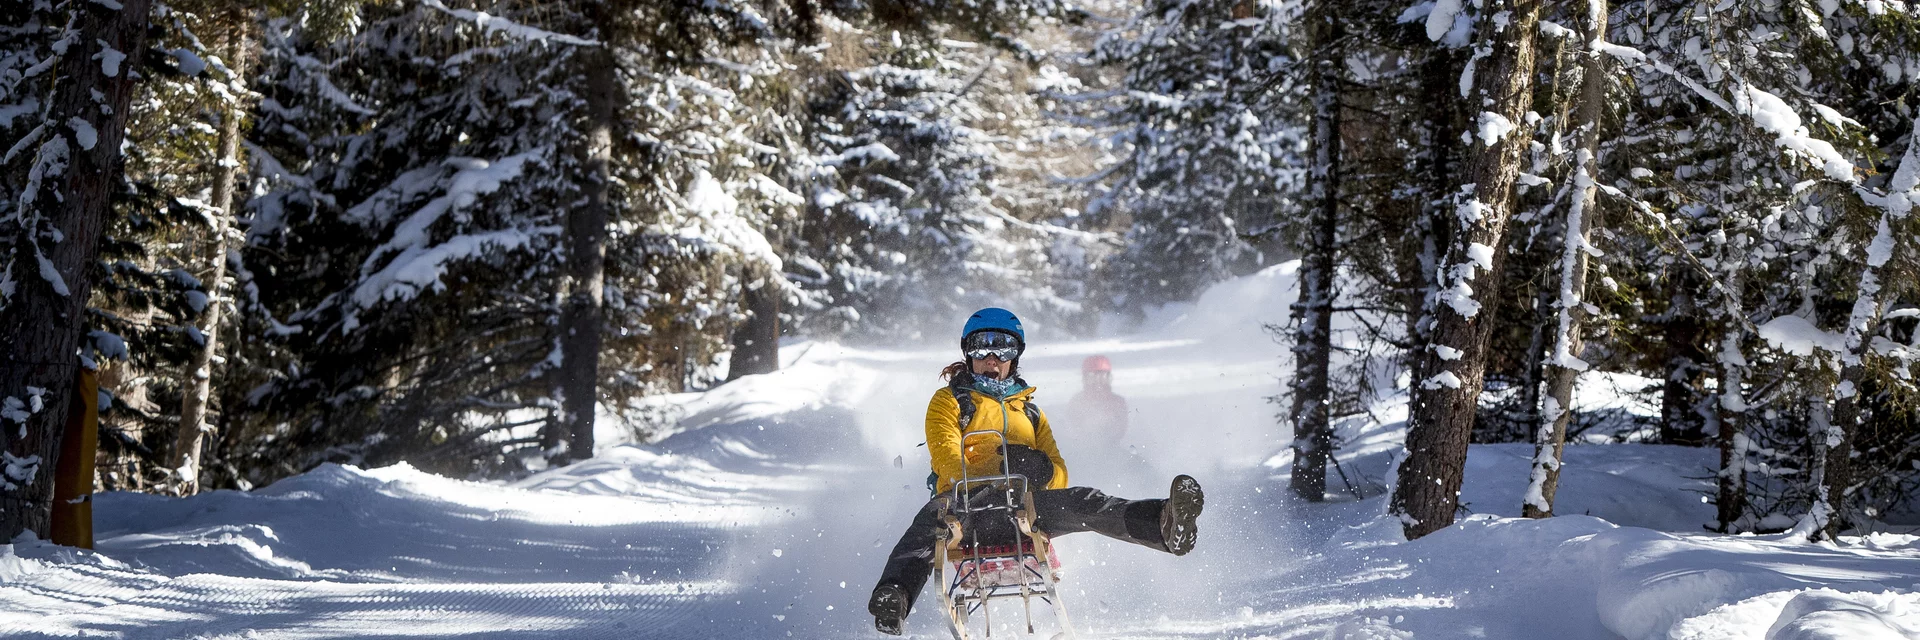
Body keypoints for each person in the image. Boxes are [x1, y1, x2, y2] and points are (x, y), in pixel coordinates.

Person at [867, 308, 1205, 635]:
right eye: (982, 346)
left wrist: (1040, 470)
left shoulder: (1030, 412)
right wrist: (991, 478)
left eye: (1003, 348)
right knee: (931, 520)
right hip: (966, 511)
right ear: (968, 353)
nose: (992, 358)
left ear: (1015, 356)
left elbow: (1060, 473)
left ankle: (1163, 524)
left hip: (1022, 510)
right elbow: (946, 455)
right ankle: (893, 597)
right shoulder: (950, 401)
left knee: (1083, 500)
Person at [1067, 355, 1129, 442]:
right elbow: (1072, 430)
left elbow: (1120, 430)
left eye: (1102, 376)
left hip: (1112, 447)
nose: (1098, 382)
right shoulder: (1077, 402)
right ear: (1085, 378)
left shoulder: (1117, 402)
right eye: (1092, 377)